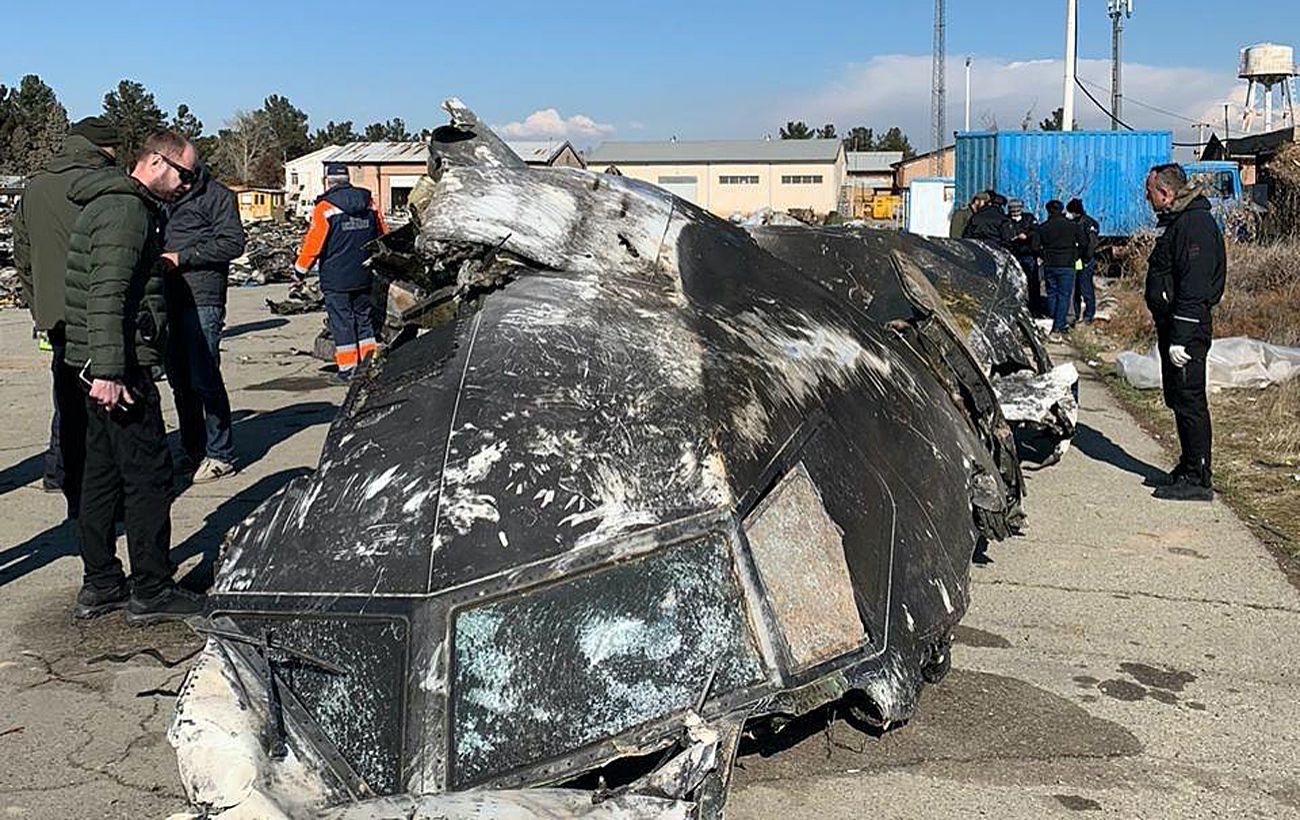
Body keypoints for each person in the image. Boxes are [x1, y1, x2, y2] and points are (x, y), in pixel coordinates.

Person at [62, 130, 206, 623]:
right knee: (149, 476)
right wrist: (109, 371)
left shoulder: (111, 204)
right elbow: (107, 293)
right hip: (118, 368)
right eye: (185, 174)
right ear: (156, 162)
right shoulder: (127, 212)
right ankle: (152, 587)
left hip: (96, 364)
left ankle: (102, 582)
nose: (188, 185)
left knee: (101, 475)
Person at [12, 117, 119, 509]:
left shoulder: (35, 188)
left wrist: (40, 306)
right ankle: (99, 494)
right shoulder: (103, 185)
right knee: (106, 407)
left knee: (67, 398)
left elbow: (22, 257)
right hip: (100, 314)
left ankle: (62, 475)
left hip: (55, 316)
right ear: (103, 148)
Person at [1143, 163, 1226, 502]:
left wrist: (1181, 336)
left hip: (1187, 330)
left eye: (1149, 192)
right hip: (1175, 325)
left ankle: (1198, 476)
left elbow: (1194, 286)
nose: (1147, 198)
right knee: (1178, 397)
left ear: (1165, 193)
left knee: (1190, 399)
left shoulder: (1195, 225)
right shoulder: (1179, 221)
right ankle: (1189, 463)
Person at [162, 162, 246, 482]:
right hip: (168, 297)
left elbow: (233, 242)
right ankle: (192, 449)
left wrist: (182, 257)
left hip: (202, 298)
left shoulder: (217, 196)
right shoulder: (162, 196)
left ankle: (220, 453)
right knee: (180, 381)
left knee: (204, 377)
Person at [294, 163, 388, 382]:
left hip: (336, 277)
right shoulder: (369, 203)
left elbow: (313, 245)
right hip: (364, 273)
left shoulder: (325, 207)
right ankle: (368, 366)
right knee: (364, 320)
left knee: (342, 322)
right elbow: (383, 234)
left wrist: (299, 271)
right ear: (348, 179)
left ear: (328, 181)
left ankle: (348, 370)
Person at [1036, 199, 1084, 341]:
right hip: (1067, 265)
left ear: (1048, 211)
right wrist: (1076, 256)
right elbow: (1084, 243)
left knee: (1052, 293)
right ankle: (1058, 326)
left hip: (1050, 264)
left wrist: (1044, 256)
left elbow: (1035, 246)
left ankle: (1055, 320)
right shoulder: (1073, 226)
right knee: (1064, 295)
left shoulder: (1043, 227)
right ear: (1062, 209)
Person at [1006, 198, 1043, 316]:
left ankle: (1035, 308)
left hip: (1028, 254)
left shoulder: (1029, 219)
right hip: (1014, 253)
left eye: (1017, 211)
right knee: (1014, 282)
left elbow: (1036, 232)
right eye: (1013, 212)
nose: (1015, 214)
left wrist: (1026, 235)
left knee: (1033, 283)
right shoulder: (1006, 221)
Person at [1067, 198, 1101, 323]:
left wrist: (1086, 259)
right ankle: (1075, 314)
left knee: (1085, 287)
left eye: (1070, 212)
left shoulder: (1089, 223)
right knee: (1075, 288)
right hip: (1074, 260)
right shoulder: (1072, 223)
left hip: (1085, 260)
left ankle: (1089, 314)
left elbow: (1092, 244)